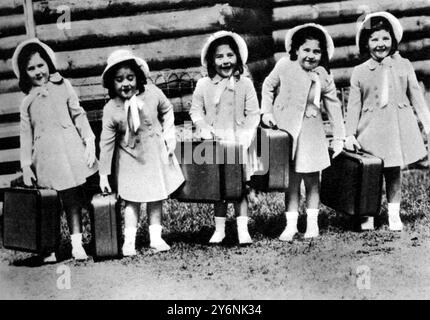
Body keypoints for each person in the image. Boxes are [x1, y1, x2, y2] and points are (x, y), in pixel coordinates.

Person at [13, 38, 98, 262]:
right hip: (46, 157)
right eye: (31, 68)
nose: (38, 71)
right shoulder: (27, 101)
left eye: (41, 65)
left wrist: (88, 139)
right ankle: (49, 248)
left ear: (49, 63)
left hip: (69, 151)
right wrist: (26, 165)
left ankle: (77, 244)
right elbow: (25, 134)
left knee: (72, 200)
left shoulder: (64, 85)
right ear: (24, 73)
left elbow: (78, 113)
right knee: (48, 203)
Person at [345, 12, 430, 231]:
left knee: (393, 173)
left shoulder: (404, 65)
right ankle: (368, 214)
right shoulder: (359, 72)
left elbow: (416, 97)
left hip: (396, 128)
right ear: (366, 43)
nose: (380, 44)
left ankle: (394, 214)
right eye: (374, 39)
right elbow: (353, 106)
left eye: (385, 38)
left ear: (393, 40)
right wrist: (349, 134)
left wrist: (427, 124)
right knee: (370, 175)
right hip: (370, 130)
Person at [261, 23, 345, 241]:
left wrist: (338, 137)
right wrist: (266, 112)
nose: (311, 56)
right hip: (286, 130)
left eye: (316, 51)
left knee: (311, 179)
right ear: (296, 50)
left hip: (310, 133)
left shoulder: (323, 75)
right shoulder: (284, 66)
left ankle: (312, 224)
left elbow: (334, 107)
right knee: (291, 181)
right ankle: (290, 225)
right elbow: (268, 86)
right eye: (306, 50)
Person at [99, 49, 184, 256]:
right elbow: (107, 142)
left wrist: (169, 134)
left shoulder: (153, 93)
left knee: (155, 197)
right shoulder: (111, 108)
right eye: (119, 80)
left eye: (130, 77)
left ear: (139, 77)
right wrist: (103, 173)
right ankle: (130, 241)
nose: (126, 84)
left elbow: (167, 109)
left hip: (154, 154)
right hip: (130, 159)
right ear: (112, 83)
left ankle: (156, 237)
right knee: (132, 200)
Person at [189, 31, 260, 245]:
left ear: (238, 57)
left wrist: (247, 132)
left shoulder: (244, 84)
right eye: (219, 56)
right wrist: (202, 126)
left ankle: (242, 229)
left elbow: (254, 113)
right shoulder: (204, 85)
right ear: (211, 60)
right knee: (218, 188)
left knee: (238, 188)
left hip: (239, 142)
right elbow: (195, 111)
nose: (225, 61)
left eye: (230, 55)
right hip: (216, 141)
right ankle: (219, 229)